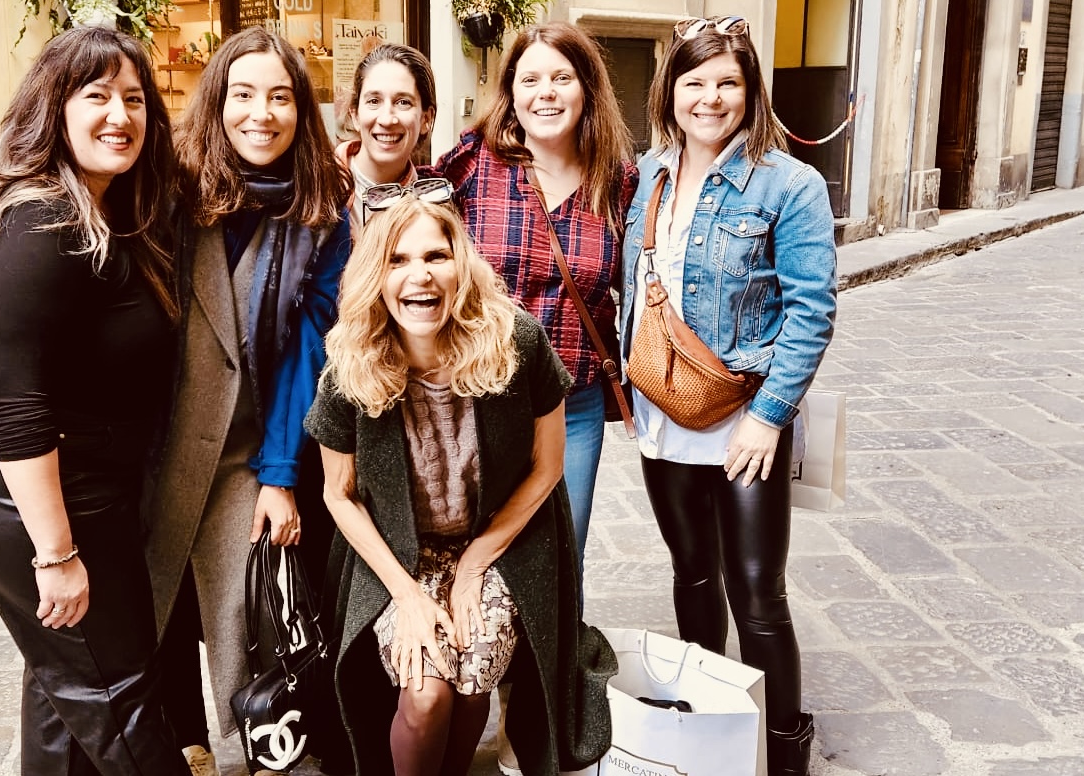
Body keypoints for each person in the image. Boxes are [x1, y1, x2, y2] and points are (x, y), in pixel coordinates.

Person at [0, 26, 187, 775]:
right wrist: (55, 554)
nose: (120, 116)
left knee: (66, 688)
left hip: (81, 482)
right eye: (96, 96)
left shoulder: (105, 209)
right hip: (25, 492)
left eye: (135, 99)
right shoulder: (41, 222)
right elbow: (17, 406)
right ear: (56, 109)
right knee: (120, 691)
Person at [305, 197, 611, 776]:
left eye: (436, 256)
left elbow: (548, 466)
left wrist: (473, 565)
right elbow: (337, 494)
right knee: (426, 695)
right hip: (397, 557)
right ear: (377, 277)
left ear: (460, 265)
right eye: (398, 260)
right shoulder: (351, 362)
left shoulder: (514, 340)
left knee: (473, 678)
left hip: (494, 545)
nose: (419, 275)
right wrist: (408, 595)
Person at [620, 16, 836, 776]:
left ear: (749, 92)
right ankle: (710, 717)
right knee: (690, 569)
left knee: (755, 588)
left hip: (744, 416)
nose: (709, 98)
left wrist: (769, 417)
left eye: (726, 83)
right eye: (694, 81)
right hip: (661, 409)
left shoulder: (788, 182)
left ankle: (781, 750)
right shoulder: (647, 173)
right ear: (669, 90)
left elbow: (812, 310)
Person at [141, 26, 351, 776]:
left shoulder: (323, 214)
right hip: (154, 447)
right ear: (217, 101)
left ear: (302, 110)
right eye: (244, 94)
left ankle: (261, 758)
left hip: (245, 453)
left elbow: (309, 354)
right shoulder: (168, 189)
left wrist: (278, 474)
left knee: (242, 621)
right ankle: (175, 750)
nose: (260, 113)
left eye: (280, 96)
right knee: (148, 620)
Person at [432, 21, 639, 570]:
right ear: (512, 93)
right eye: (530, 80)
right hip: (480, 399)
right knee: (481, 560)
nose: (545, 93)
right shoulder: (474, 165)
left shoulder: (618, 182)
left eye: (562, 77)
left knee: (562, 557)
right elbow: (407, 217)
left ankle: (563, 658)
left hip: (574, 405)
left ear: (587, 89)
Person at [335, 43, 437, 234]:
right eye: (374, 101)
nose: (387, 119)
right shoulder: (318, 189)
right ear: (355, 115)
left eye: (403, 102)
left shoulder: (434, 202)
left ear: (426, 118)